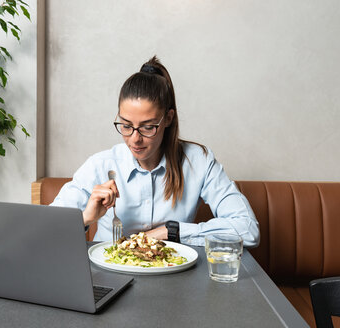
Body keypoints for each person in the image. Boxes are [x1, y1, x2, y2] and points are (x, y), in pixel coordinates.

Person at [51, 56, 260, 247]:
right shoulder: (101, 165)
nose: (135, 139)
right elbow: (45, 230)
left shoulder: (198, 162)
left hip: (173, 277)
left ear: (168, 118)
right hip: (108, 277)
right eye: (125, 125)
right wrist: (86, 217)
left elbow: (248, 230)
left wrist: (171, 231)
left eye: (148, 127)